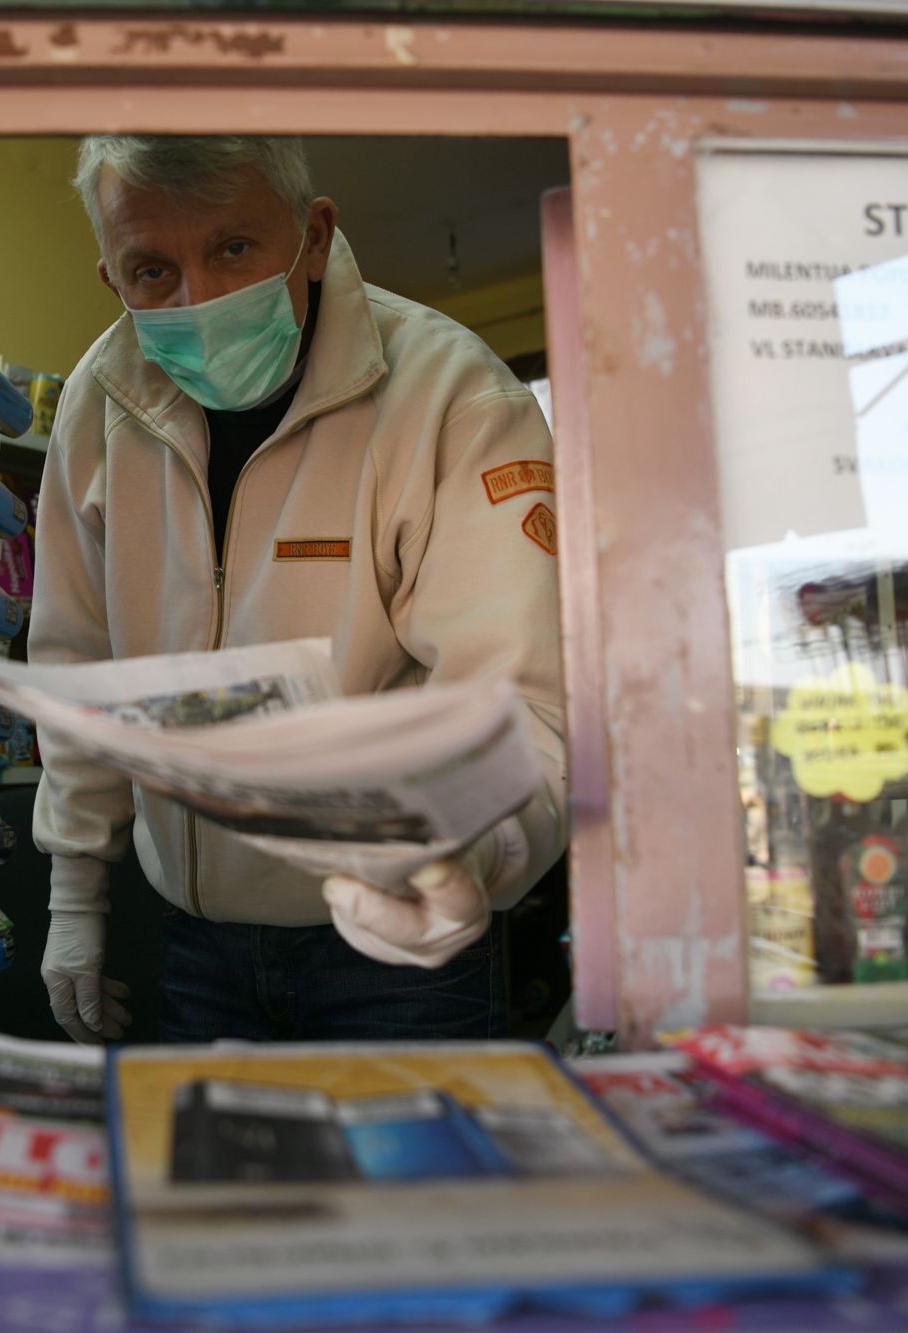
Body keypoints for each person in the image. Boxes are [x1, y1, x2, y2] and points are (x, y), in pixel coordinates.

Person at [30, 135, 567, 1044]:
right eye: (153, 270)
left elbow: (521, 706)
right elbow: (77, 663)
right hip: (196, 939)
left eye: (234, 249)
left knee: (400, 1188)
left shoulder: (454, 398)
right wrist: (74, 894)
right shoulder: (100, 405)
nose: (198, 301)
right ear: (110, 278)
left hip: (403, 959)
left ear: (314, 237)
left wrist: (452, 854)